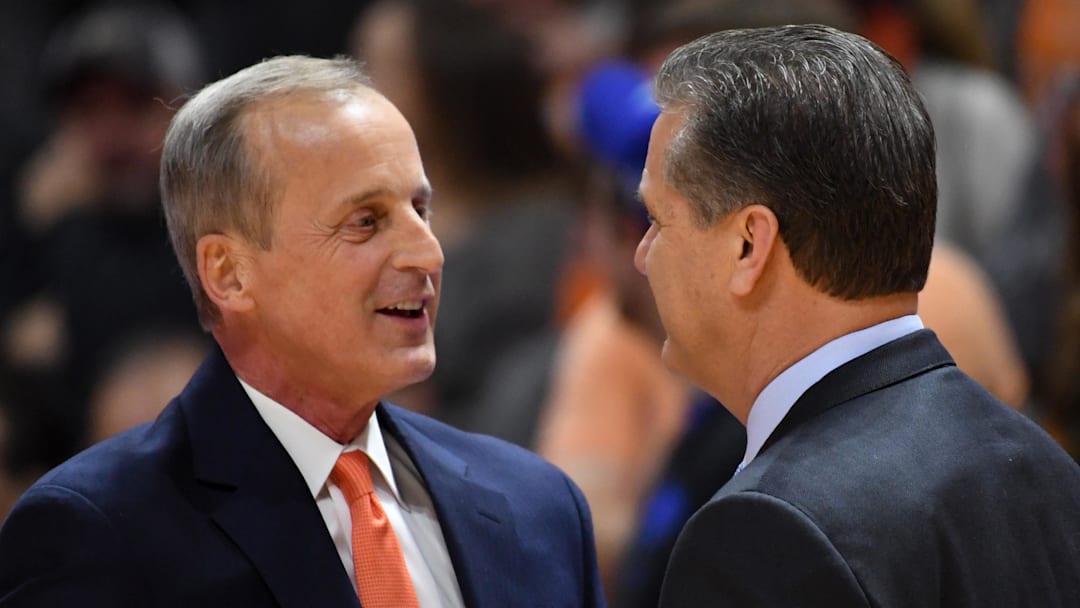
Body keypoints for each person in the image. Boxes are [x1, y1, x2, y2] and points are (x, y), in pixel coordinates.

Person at [0, 55, 604, 607]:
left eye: (420, 210)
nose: (428, 253)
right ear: (229, 273)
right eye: (365, 221)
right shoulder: (97, 533)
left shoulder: (540, 507)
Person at [635, 25, 1080, 606]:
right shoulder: (1045, 465)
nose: (643, 257)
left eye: (658, 220)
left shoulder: (767, 531)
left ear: (750, 245)